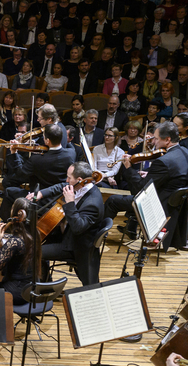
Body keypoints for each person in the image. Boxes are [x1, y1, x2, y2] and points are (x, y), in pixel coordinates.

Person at [104, 122, 188, 250]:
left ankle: (97, 233)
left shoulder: (163, 161)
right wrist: (149, 174)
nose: (154, 142)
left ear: (168, 140)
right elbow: (173, 174)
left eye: (156, 138)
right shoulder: (184, 152)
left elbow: (141, 189)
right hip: (174, 202)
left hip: (157, 203)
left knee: (112, 201)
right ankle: (130, 228)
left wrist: (128, 168)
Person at [32, 162, 105, 286]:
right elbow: (62, 185)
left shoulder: (92, 203)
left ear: (80, 180)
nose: (66, 180)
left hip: (74, 245)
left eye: (69, 177)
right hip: (68, 234)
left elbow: (78, 228)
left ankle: (41, 288)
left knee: (34, 251)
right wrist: (41, 193)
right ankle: (45, 281)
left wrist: (70, 203)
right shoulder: (83, 186)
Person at [0, 108, 75, 220]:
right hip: (58, 196)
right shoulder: (71, 153)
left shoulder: (37, 160)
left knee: (10, 191)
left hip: (39, 197)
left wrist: (14, 153)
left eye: (44, 137)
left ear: (47, 141)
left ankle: (8, 223)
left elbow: (19, 174)